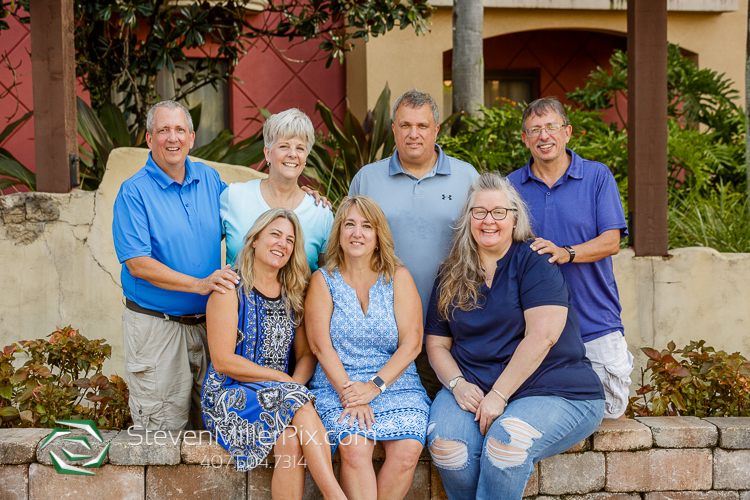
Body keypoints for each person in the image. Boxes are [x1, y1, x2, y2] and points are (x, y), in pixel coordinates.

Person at [425, 173, 605, 500]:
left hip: (552, 386)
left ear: (515, 217)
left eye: (499, 212)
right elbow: (437, 343)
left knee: (506, 447)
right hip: (471, 384)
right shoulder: (450, 271)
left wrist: (498, 396)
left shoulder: (535, 262)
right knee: (448, 450)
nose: (489, 220)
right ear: (467, 218)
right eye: (479, 212)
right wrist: (457, 384)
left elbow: (543, 336)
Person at [201, 208, 346, 500]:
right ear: (254, 240)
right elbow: (223, 361)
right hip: (229, 396)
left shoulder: (292, 293)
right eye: (275, 234)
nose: (282, 244)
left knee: (291, 441)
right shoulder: (229, 288)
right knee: (297, 400)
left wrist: (291, 384)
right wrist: (282, 382)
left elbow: (306, 354)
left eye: (290, 240)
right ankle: (336, 496)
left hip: (278, 393)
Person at [113, 100, 239, 430]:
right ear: (148, 138)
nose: (173, 138)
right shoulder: (133, 193)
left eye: (180, 130)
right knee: (161, 436)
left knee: (211, 432)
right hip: (158, 329)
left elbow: (246, 220)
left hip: (210, 328)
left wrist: (303, 200)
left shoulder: (209, 179)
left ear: (192, 137)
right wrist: (198, 284)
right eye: (164, 130)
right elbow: (138, 264)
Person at [507, 97, 633, 419]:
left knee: (609, 413)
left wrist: (567, 253)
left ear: (567, 132)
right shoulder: (510, 187)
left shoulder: (596, 177)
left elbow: (611, 241)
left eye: (551, 126)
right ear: (525, 139)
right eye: (534, 129)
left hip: (595, 323)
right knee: (541, 415)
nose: (543, 136)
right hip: (534, 331)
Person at [348, 89, 479, 400]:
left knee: (446, 415)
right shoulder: (367, 179)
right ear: (393, 130)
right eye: (405, 125)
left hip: (452, 327)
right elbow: (347, 245)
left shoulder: (467, 177)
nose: (413, 134)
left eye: (422, 126)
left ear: (436, 130)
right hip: (386, 331)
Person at [306, 195, 430, 500]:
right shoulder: (324, 281)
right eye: (349, 224)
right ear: (339, 233)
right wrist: (351, 394)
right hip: (338, 383)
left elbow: (412, 343)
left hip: (394, 382)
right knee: (355, 447)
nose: (356, 233)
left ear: (378, 237)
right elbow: (320, 346)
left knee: (408, 449)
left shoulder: (398, 278)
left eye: (366, 226)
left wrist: (374, 387)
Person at [221, 108, 333, 272]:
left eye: (300, 148)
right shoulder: (234, 197)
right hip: (237, 297)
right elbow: (202, 250)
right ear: (267, 153)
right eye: (284, 146)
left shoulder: (320, 212)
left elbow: (326, 276)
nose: (292, 154)